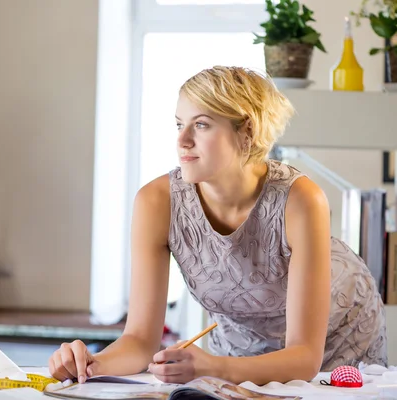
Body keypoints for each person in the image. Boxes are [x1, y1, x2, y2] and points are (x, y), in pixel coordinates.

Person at [48, 66, 387, 386]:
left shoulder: (301, 199)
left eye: (202, 125)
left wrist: (212, 366)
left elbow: (304, 358)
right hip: (240, 346)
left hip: (338, 334)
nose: (182, 140)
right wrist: (92, 364)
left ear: (248, 131)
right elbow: (139, 339)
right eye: (179, 124)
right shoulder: (156, 202)